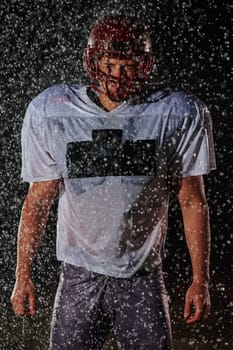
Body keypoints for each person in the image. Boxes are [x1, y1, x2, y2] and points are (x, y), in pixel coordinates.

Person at [11, 15, 216, 350]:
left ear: (144, 65)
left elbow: (192, 200)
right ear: (93, 63)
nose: (119, 76)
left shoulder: (176, 113)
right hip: (79, 273)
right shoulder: (53, 112)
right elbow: (38, 200)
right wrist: (23, 276)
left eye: (129, 66)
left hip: (142, 276)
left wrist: (200, 279)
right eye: (110, 64)